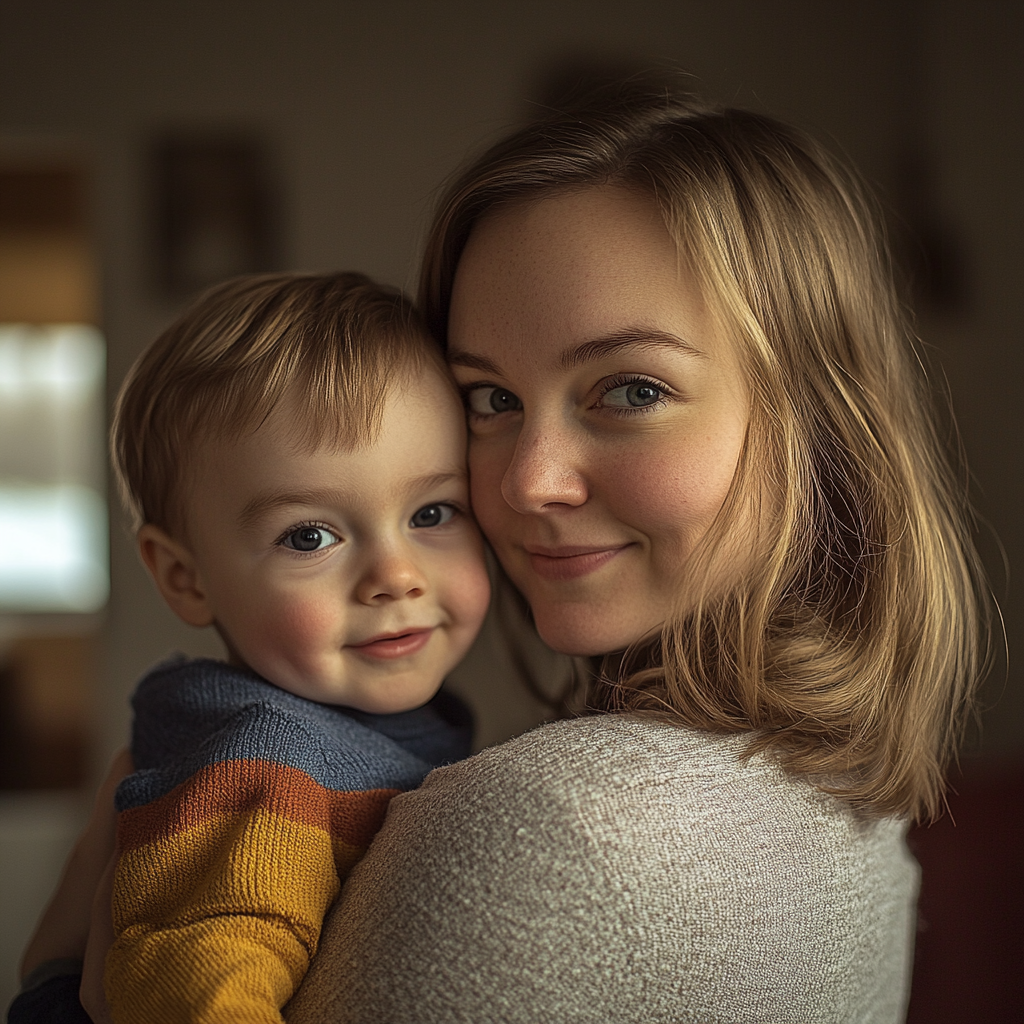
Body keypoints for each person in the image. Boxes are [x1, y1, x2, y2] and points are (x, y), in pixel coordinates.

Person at [17, 80, 989, 1024]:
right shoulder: (856, 803)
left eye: (630, 389)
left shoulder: (558, 827)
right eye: (490, 399)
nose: (527, 481)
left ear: (814, 420)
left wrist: (53, 967)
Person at [10, 273, 490, 1024]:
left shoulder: (362, 726)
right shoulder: (266, 761)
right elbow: (201, 991)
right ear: (186, 578)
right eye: (310, 536)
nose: (395, 577)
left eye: (432, 511)